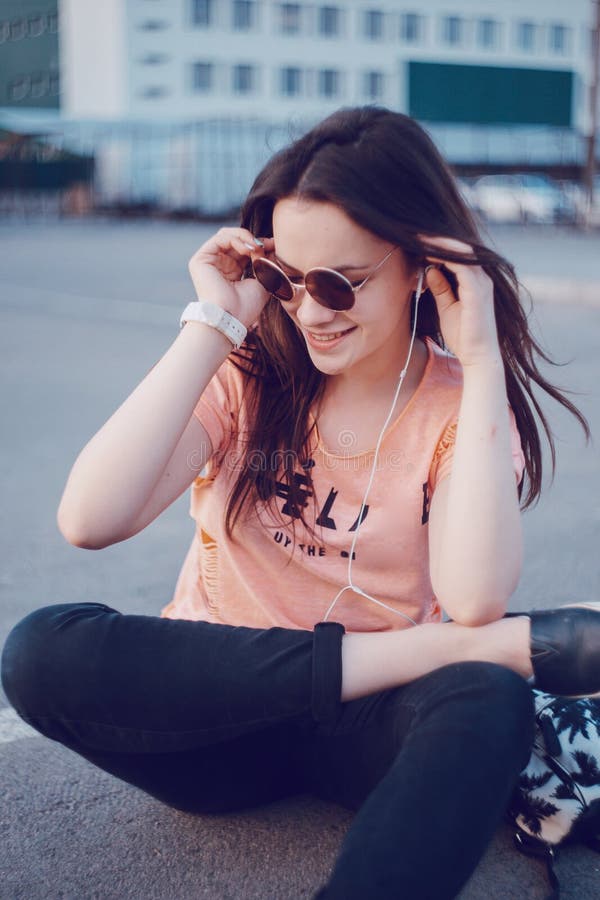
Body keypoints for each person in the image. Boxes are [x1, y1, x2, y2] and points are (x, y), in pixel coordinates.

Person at [1, 106, 598, 899]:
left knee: (488, 696)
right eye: (287, 278)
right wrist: (215, 320)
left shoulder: (459, 407)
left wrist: (482, 355)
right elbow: (90, 519)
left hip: (369, 724)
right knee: (43, 649)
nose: (310, 311)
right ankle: (445, 652)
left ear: (424, 263)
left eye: (339, 283)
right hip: (217, 707)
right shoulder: (250, 373)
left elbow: (475, 595)